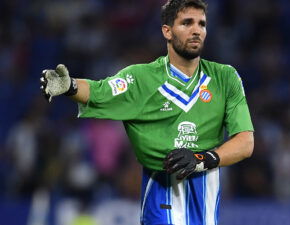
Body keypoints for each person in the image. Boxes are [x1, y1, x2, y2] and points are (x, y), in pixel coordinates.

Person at [40, 0, 254, 224]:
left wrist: (201, 159)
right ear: (167, 31)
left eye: (201, 24)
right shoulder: (142, 79)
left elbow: (245, 142)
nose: (196, 30)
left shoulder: (225, 78)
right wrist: (69, 86)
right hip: (161, 206)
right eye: (187, 23)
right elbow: (99, 91)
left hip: (205, 211)